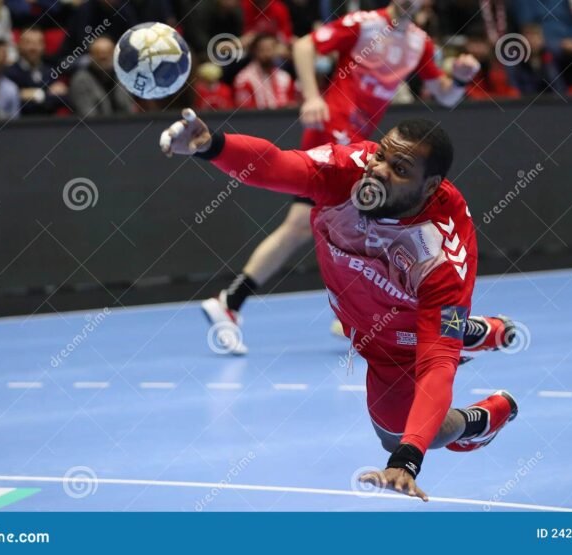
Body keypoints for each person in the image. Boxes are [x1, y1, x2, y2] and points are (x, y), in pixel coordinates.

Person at [161, 107, 519, 498]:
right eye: (381, 155)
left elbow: (437, 364)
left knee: (399, 435)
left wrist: (406, 460)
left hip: (402, 337)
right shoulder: (348, 169)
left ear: (430, 186)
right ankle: (472, 331)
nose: (379, 170)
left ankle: (478, 420)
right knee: (430, 351)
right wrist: (211, 146)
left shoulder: (440, 260)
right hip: (360, 312)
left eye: (399, 169)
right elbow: (275, 165)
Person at [201, 0, 493, 355]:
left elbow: (445, 96)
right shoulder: (365, 24)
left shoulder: (420, 43)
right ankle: (231, 302)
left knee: (322, 226)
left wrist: (461, 76)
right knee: (315, 225)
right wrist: (311, 97)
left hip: (364, 144)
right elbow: (305, 45)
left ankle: (239, 301)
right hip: (335, 134)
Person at [4, 28, 69, 116]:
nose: (33, 48)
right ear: (19, 45)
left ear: (44, 46)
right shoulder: (10, 72)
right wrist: (48, 96)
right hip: (19, 125)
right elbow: (17, 104)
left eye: (38, 43)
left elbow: (64, 100)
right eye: (28, 43)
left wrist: (36, 95)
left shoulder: (50, 71)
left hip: (49, 125)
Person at [69, 37, 135, 117]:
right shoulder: (81, 80)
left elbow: (129, 108)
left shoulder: (122, 77)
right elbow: (87, 114)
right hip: (97, 126)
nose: (104, 58)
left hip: (125, 125)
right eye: (100, 56)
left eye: (108, 55)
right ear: (91, 56)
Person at [233, 33, 298, 109]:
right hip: (257, 119)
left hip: (283, 119)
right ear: (255, 51)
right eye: (263, 49)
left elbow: (291, 105)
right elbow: (246, 112)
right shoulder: (243, 79)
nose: (267, 53)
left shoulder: (284, 77)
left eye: (271, 48)